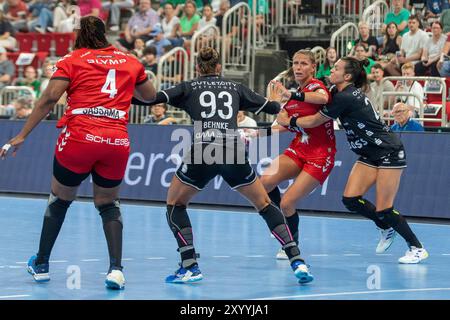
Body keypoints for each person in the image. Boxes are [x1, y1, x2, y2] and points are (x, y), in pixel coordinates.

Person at [132, 47, 314, 284]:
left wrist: (127, 88)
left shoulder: (188, 87)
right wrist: (278, 99)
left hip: (205, 148)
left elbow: (151, 98)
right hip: (233, 149)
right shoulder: (235, 87)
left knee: (175, 204)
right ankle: (297, 261)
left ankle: (189, 266)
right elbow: (272, 108)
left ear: (198, 68)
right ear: (219, 68)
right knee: (265, 204)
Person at [0, 16, 156, 290]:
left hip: (80, 137)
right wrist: (119, 91)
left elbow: (50, 98)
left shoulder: (73, 59)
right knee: (108, 204)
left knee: (59, 199)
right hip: (116, 141)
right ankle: (116, 270)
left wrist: (23, 135)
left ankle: (42, 264)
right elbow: (149, 95)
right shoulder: (130, 61)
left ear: (80, 35)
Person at [276, 56, 429, 264]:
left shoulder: (345, 97)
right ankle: (384, 227)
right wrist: (291, 97)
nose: (331, 70)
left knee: (385, 208)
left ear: (347, 76)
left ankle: (417, 247)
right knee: (350, 199)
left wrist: (290, 119)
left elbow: (314, 120)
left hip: (389, 152)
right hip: (368, 153)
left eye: (336, 68)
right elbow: (318, 97)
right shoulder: (336, 92)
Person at [261, 50, 336, 260]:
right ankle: (278, 222)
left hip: (321, 155)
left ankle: (290, 243)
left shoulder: (315, 87)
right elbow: (282, 125)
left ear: (313, 67)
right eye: (295, 63)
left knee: (287, 203)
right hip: (298, 149)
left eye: (303, 63)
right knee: (264, 183)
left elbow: (323, 99)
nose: (298, 67)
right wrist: (255, 134)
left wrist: (289, 95)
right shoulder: (293, 98)